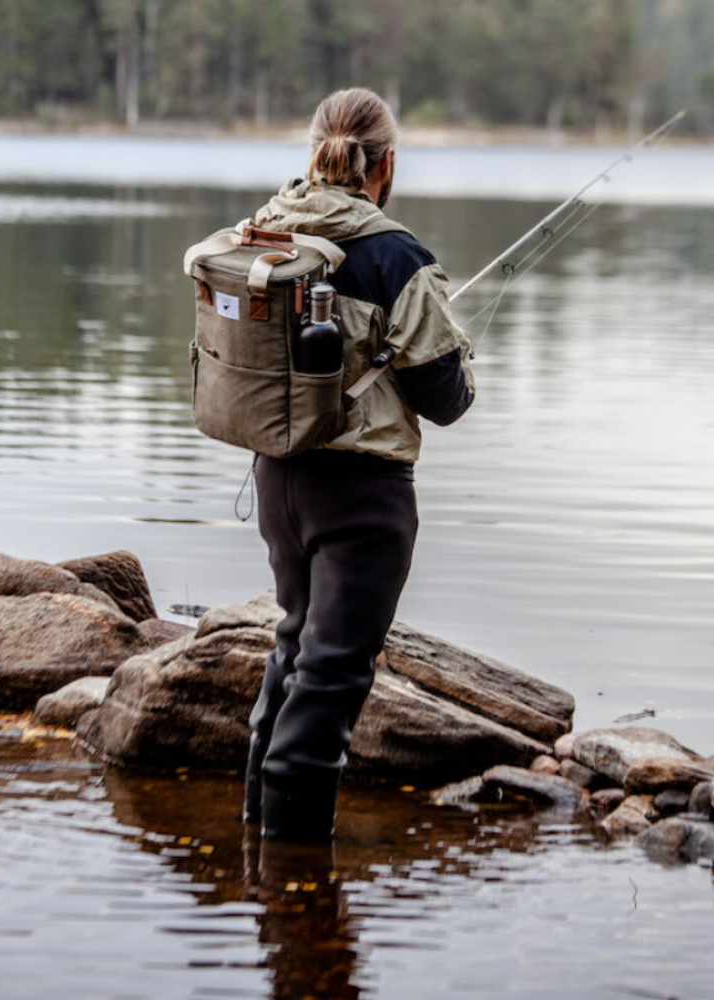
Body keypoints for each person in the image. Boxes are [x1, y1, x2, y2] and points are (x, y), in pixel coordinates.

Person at [243, 87, 476, 841]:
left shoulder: (267, 230)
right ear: (386, 165)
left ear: (314, 152)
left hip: (279, 479)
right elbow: (445, 399)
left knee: (296, 647)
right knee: (334, 675)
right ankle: (293, 880)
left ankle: (257, 844)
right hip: (362, 499)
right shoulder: (395, 256)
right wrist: (460, 359)